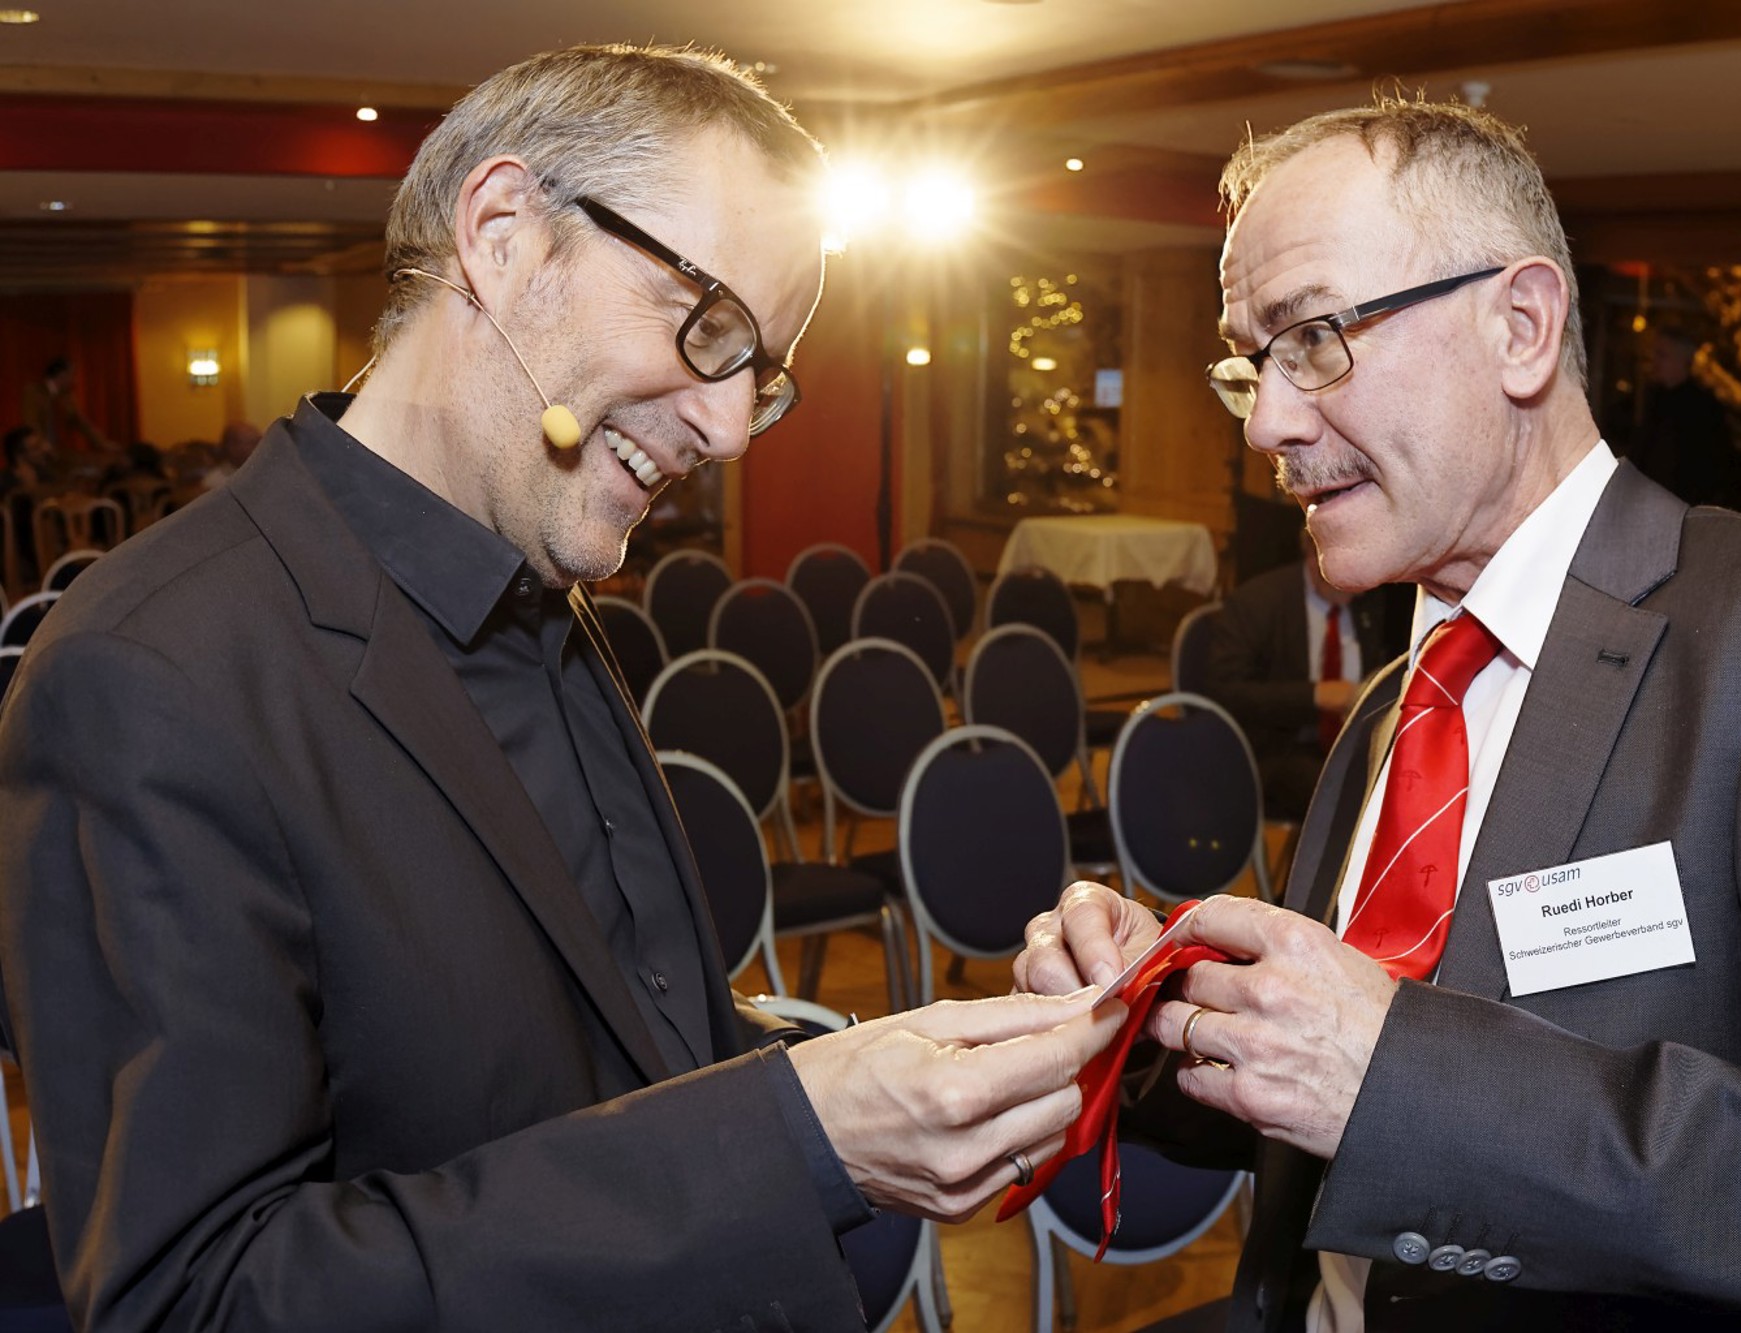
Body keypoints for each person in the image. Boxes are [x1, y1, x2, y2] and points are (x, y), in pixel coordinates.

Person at [0, 44, 1121, 1333]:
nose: (732, 429)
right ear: (502, 236)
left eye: (761, 373)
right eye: (707, 327)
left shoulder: (547, 592)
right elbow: (201, 1303)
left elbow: (625, 1062)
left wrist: (917, 1070)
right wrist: (790, 1140)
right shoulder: (150, 677)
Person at [1018, 95, 1741, 1332]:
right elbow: (1321, 1105)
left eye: (1312, 338)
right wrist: (1147, 1014)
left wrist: (1395, 1074)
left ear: (1520, 327)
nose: (1265, 421)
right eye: (1247, 364)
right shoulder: (1398, 698)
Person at [1206, 546, 1412, 821]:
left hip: (1353, 740)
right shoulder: (1257, 602)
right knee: (1352, 798)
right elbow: (1225, 691)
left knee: (1410, 782)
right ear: (1317, 558)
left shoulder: (1368, 599)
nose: (1363, 588)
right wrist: (1315, 695)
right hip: (1280, 746)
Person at [1625, 326, 1741, 510]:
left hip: (1681, 507)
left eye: (1662, 355)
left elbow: (1714, 466)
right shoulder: (1652, 399)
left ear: (1681, 361)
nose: (1654, 361)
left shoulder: (1704, 409)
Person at [19, 355, 109, 455]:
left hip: (60, 450)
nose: (74, 380)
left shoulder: (66, 397)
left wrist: (102, 442)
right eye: (72, 375)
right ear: (62, 375)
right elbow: (31, 423)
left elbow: (80, 422)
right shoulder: (34, 392)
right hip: (40, 452)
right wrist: (41, 445)